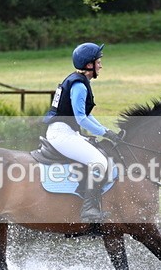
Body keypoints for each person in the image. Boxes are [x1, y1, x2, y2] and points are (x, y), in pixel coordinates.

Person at [43, 42, 122, 223]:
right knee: (99, 162)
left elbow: (86, 116)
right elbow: (82, 120)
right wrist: (106, 133)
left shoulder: (77, 80)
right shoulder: (79, 85)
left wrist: (106, 131)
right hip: (62, 134)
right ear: (89, 65)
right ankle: (89, 210)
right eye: (98, 62)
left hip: (66, 131)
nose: (101, 65)